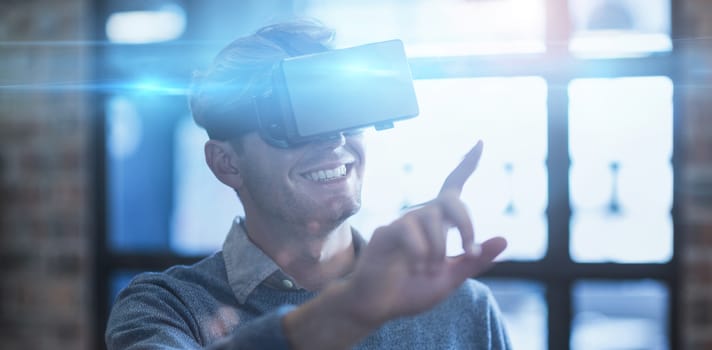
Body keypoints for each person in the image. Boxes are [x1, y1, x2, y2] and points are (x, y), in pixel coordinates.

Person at [106, 18, 511, 350]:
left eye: (342, 111)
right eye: (292, 123)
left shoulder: (462, 307)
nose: (334, 141)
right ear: (227, 164)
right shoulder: (169, 306)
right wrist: (353, 307)